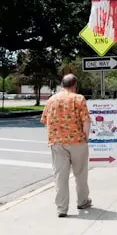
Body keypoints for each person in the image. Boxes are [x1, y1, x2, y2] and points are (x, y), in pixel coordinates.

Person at [41, 73, 92, 217]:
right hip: (77, 142)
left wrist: (53, 137)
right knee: (80, 174)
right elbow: (86, 121)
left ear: (62, 85)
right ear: (74, 85)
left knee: (60, 176)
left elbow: (45, 120)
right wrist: (85, 138)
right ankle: (82, 201)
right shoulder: (79, 99)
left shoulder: (51, 100)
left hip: (57, 143)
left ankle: (62, 208)